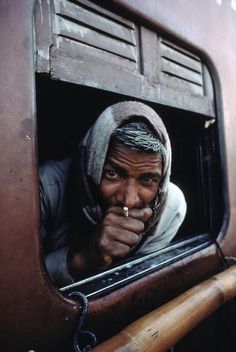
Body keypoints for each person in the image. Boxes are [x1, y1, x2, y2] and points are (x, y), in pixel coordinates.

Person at [39, 101, 187, 287]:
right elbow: (16, 282)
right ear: (92, 164)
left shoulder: (171, 209)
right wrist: (82, 257)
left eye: (147, 180)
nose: (129, 200)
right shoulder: (45, 188)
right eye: (113, 174)